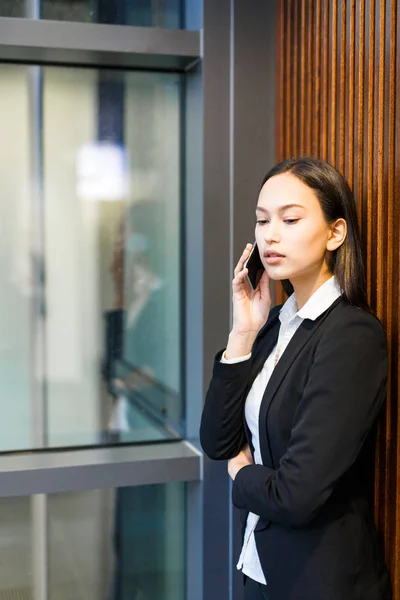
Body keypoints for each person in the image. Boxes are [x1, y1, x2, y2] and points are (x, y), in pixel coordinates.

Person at [200, 157, 391, 600]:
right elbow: (214, 438)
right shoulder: (275, 325)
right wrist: (243, 333)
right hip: (259, 565)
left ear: (334, 233)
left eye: (290, 219)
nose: (270, 234)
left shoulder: (351, 335)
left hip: (320, 580)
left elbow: (296, 496)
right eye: (262, 220)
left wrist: (240, 472)